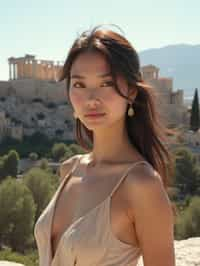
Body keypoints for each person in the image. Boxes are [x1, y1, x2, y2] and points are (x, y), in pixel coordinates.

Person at [34, 24, 177, 266]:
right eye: (79, 84)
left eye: (106, 83)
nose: (91, 99)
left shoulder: (142, 185)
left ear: (131, 91)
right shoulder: (69, 170)